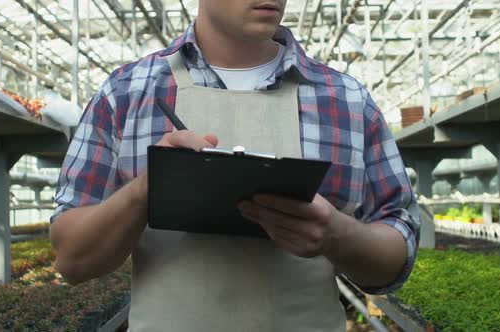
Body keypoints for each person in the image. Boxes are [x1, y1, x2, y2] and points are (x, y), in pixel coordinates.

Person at [50, 1, 420, 331]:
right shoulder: (127, 93)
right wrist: (147, 190)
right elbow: (72, 259)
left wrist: (338, 235)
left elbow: (395, 255)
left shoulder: (346, 101)